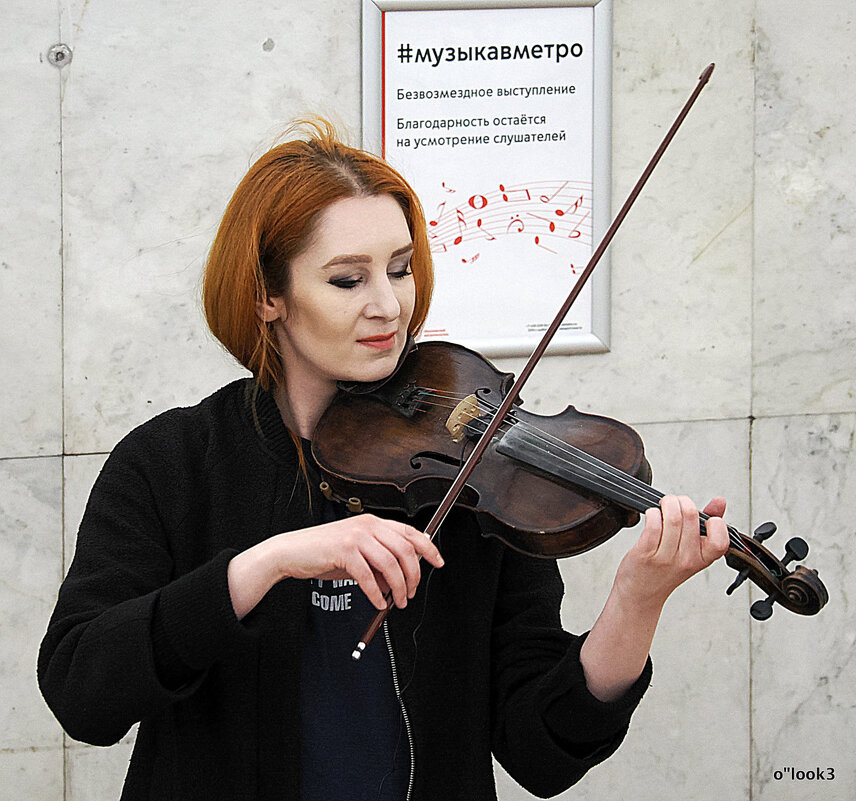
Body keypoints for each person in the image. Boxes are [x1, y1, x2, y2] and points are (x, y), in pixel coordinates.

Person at [38, 119, 729, 801]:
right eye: (347, 279)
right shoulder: (171, 463)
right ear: (266, 296)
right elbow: (81, 691)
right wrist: (267, 562)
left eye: (400, 269)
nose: (389, 305)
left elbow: (539, 750)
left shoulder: (475, 466)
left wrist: (637, 602)